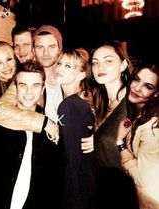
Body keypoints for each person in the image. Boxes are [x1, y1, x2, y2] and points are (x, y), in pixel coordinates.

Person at [0, 61, 64, 209]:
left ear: (42, 88)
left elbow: (54, 181)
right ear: (15, 88)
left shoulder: (51, 130)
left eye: (35, 85)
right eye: (23, 85)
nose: (29, 92)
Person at [89, 40, 139, 209]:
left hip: (128, 194)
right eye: (95, 63)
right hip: (102, 192)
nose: (99, 67)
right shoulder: (98, 103)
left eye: (108, 61)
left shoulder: (134, 103)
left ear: (124, 65)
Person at [0, 24, 63, 142]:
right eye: (16, 46)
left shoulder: (68, 72)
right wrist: (45, 123)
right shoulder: (24, 78)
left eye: (26, 44)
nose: (21, 51)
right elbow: (0, 112)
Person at [56, 49, 96, 209]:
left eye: (68, 66)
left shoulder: (69, 105)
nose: (59, 68)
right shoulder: (82, 100)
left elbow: (73, 159)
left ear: (81, 74)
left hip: (77, 189)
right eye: (59, 63)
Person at [116, 63, 159, 209]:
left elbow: (142, 178)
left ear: (156, 93)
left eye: (148, 86)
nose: (137, 88)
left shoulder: (153, 128)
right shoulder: (138, 112)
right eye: (136, 79)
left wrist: (120, 143)